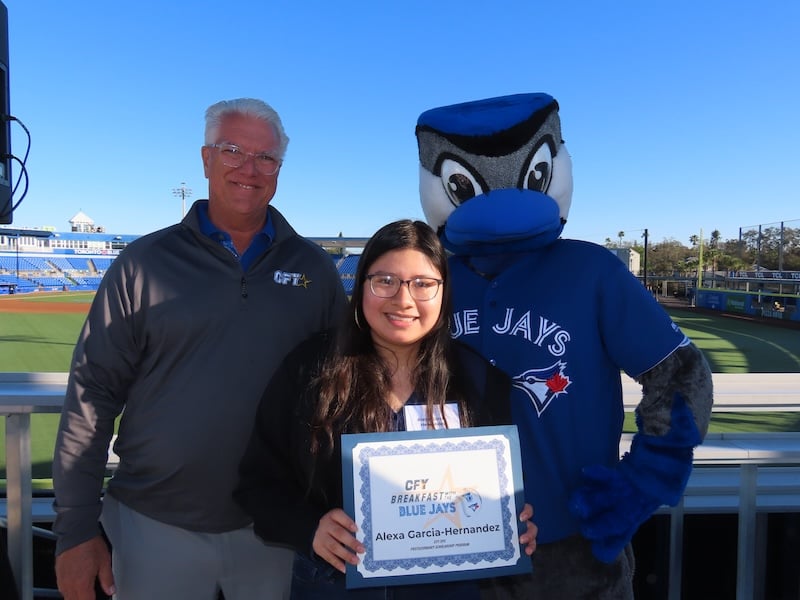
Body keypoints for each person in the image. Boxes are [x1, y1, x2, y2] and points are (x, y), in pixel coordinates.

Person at [416, 93, 713, 598]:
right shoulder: (426, 278)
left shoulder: (591, 270)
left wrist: (641, 482)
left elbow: (680, 375)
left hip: (571, 544)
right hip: (450, 537)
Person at [52, 97, 348, 600]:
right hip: (153, 526)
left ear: (279, 170)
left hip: (277, 529)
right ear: (206, 158)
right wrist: (76, 531)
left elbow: (349, 392)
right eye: (232, 150)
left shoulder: (315, 270)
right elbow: (92, 395)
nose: (249, 169)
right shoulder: (144, 262)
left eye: (266, 158)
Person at [234, 219, 537, 600]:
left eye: (423, 284)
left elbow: (496, 492)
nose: (403, 299)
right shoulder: (311, 369)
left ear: (444, 292)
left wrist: (512, 524)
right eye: (385, 281)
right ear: (361, 285)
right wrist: (309, 527)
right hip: (333, 586)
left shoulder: (478, 378)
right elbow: (256, 485)